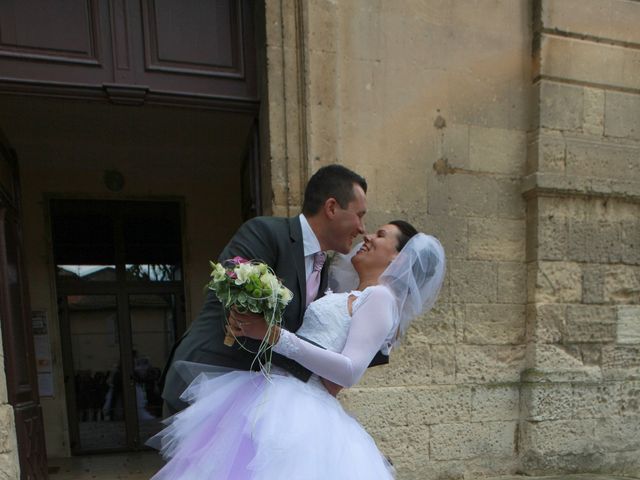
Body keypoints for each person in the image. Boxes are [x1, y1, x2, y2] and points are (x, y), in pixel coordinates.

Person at [148, 221, 446, 479]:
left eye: (381, 235)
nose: (367, 236)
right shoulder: (356, 294)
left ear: (398, 257)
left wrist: (274, 336)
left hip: (300, 407)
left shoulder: (380, 298)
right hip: (273, 391)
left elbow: (349, 370)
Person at [161, 164, 375, 414]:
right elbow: (238, 315)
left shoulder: (322, 266)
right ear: (331, 208)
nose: (362, 228)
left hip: (255, 397)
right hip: (207, 382)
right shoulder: (265, 233)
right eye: (359, 215)